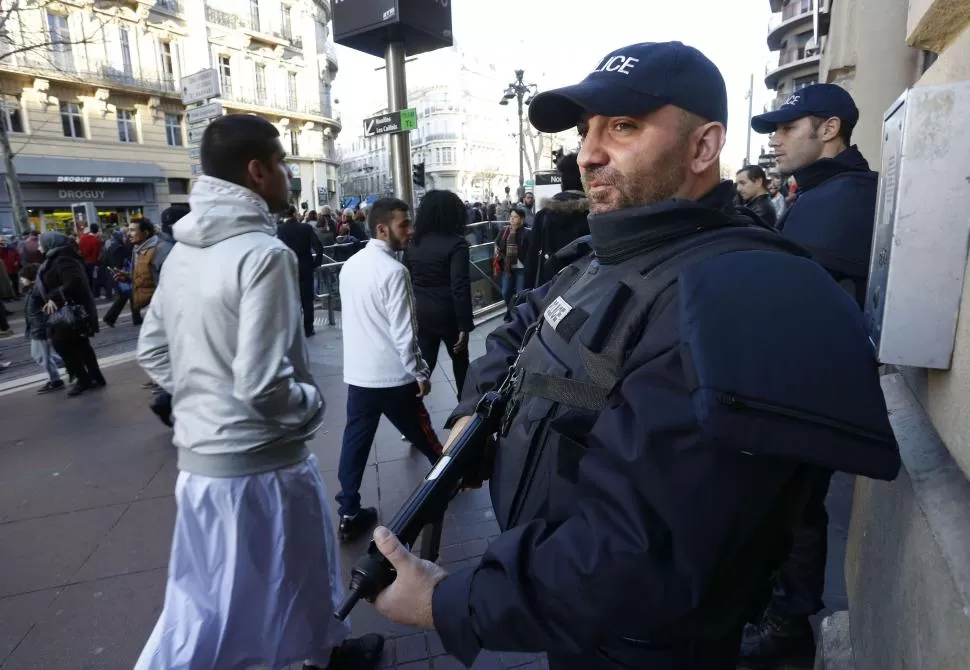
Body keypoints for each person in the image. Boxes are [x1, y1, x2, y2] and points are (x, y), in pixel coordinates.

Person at [362, 41, 900, 670]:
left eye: (623, 126)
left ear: (703, 147)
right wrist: (472, 416)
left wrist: (449, 603)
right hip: (570, 625)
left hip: (645, 645)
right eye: (588, 129)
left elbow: (642, 550)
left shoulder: (735, 292)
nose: (589, 153)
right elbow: (521, 326)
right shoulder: (611, 253)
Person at [134, 114, 383, 670]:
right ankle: (322, 653)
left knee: (217, 594)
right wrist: (312, 406)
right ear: (257, 172)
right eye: (283, 164)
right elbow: (263, 385)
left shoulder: (183, 252)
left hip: (201, 466)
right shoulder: (263, 255)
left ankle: (327, 650)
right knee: (264, 588)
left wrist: (202, 400)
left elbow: (152, 353)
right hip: (262, 466)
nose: (289, 176)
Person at [741, 83, 879, 667]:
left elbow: (818, 312)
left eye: (785, 127)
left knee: (796, 511)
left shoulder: (845, 198)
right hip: (794, 389)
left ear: (828, 130)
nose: (773, 141)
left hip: (802, 396)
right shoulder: (824, 191)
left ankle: (788, 625)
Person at [335, 198, 444, 543]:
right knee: (425, 436)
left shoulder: (350, 266)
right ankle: (450, 477)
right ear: (383, 229)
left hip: (359, 374)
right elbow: (405, 332)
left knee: (355, 442)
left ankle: (348, 510)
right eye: (404, 225)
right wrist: (421, 372)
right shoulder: (395, 272)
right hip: (394, 376)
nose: (410, 231)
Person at [403, 189, 474, 397]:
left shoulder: (414, 243)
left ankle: (412, 408)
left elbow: (406, 277)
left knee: (425, 363)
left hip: (421, 313)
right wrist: (464, 325)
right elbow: (459, 286)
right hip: (448, 313)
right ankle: (465, 412)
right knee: (461, 363)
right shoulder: (457, 244)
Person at [37, 232, 105, 396]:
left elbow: (74, 282)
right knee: (80, 344)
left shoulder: (63, 258)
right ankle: (94, 378)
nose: (39, 247)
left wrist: (54, 297)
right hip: (68, 308)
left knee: (64, 344)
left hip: (68, 310)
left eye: (41, 243)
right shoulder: (58, 256)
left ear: (50, 243)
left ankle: (83, 379)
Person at [523, 153, 591, 289]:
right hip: (587, 290)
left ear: (562, 181)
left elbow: (532, 261)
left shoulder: (543, 215)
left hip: (548, 290)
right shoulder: (595, 214)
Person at [277, 204, 324, 337]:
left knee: (291, 300)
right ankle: (308, 328)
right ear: (294, 213)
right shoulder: (305, 228)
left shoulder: (279, 229)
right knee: (307, 300)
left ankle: (294, 329)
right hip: (305, 267)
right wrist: (316, 263)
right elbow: (319, 247)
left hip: (287, 269)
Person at [19, 262, 65, 394]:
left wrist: (51, 299)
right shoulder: (30, 290)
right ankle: (68, 363)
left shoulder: (39, 289)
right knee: (40, 355)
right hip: (35, 328)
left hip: (41, 328)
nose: (21, 280)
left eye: (23, 277)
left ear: (32, 278)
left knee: (41, 357)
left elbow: (54, 294)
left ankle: (55, 380)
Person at [493, 207, 531, 307]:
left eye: (515, 217)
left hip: (521, 268)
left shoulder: (527, 233)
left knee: (520, 294)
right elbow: (496, 242)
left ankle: (518, 313)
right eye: (511, 217)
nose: (512, 219)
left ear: (522, 219)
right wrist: (496, 248)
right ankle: (510, 310)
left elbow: (530, 251)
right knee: (505, 292)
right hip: (508, 266)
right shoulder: (505, 230)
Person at [78, 223, 103, 292]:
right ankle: (96, 293)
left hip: (84, 262)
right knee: (95, 278)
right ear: (97, 230)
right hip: (93, 262)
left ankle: (90, 292)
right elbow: (96, 254)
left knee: (88, 278)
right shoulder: (96, 241)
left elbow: (80, 250)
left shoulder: (82, 238)